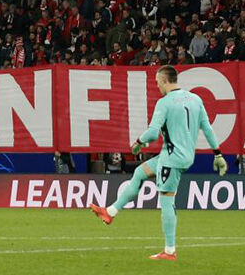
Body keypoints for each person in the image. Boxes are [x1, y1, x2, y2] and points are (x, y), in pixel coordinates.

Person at [89, 65, 228, 261]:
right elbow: (207, 128)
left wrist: (138, 143)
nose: (157, 86)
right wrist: (218, 155)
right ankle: (110, 211)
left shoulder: (164, 103)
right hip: (179, 155)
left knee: (166, 201)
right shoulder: (196, 99)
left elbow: (153, 133)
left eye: (157, 82)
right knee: (139, 173)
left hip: (172, 158)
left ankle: (170, 251)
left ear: (164, 80)